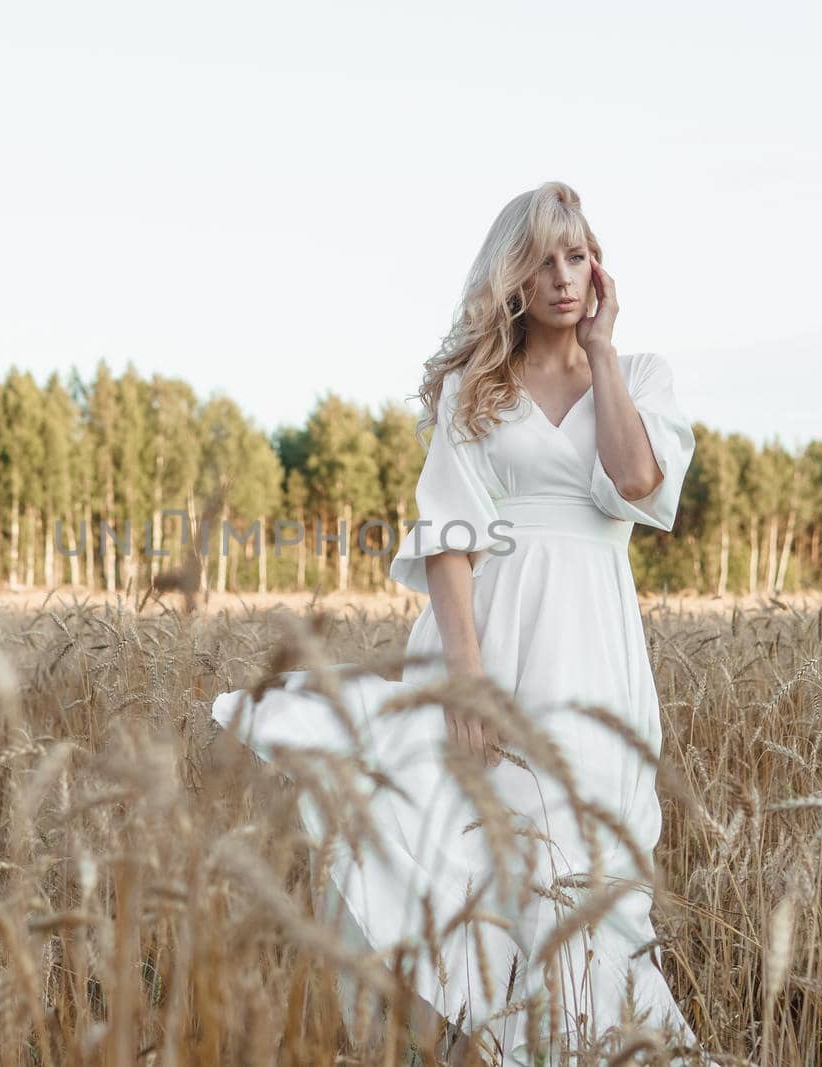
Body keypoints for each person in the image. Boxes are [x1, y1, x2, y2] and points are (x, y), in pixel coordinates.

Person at [211, 180, 704, 1065]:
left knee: (594, 867)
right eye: (544, 259)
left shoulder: (640, 376)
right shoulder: (480, 387)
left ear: (600, 269)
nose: (563, 275)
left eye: (578, 255)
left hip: (595, 646)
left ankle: (601, 1045)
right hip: (492, 636)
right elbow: (448, 542)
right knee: (489, 859)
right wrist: (467, 679)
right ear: (513, 276)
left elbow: (634, 481)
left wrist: (602, 352)